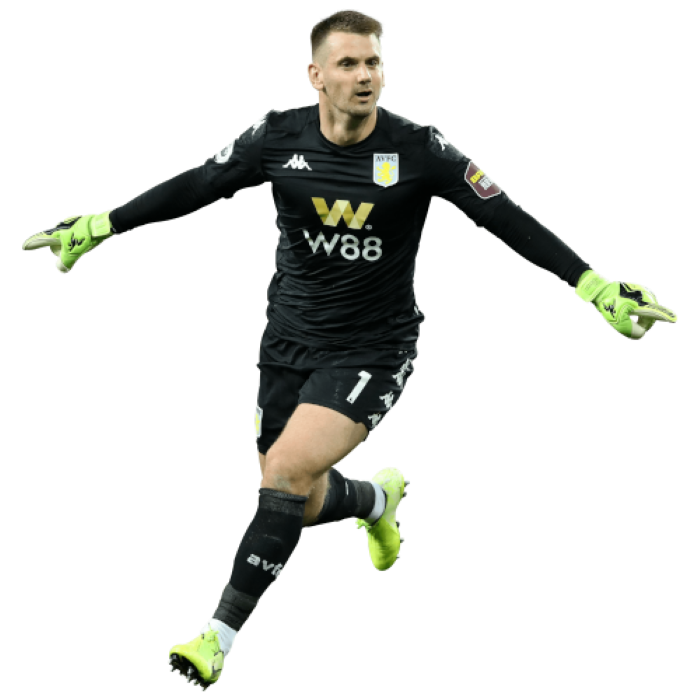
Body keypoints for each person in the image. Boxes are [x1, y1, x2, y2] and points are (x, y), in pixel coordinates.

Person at [21, 9, 678, 691]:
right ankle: (374, 501)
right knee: (296, 500)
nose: (366, 76)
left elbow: (504, 217)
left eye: (374, 63)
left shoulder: (419, 148)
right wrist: (103, 224)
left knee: (283, 475)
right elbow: (197, 185)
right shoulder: (277, 135)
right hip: (285, 343)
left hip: (373, 348)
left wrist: (595, 287)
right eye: (349, 64)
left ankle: (216, 637)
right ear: (316, 76)